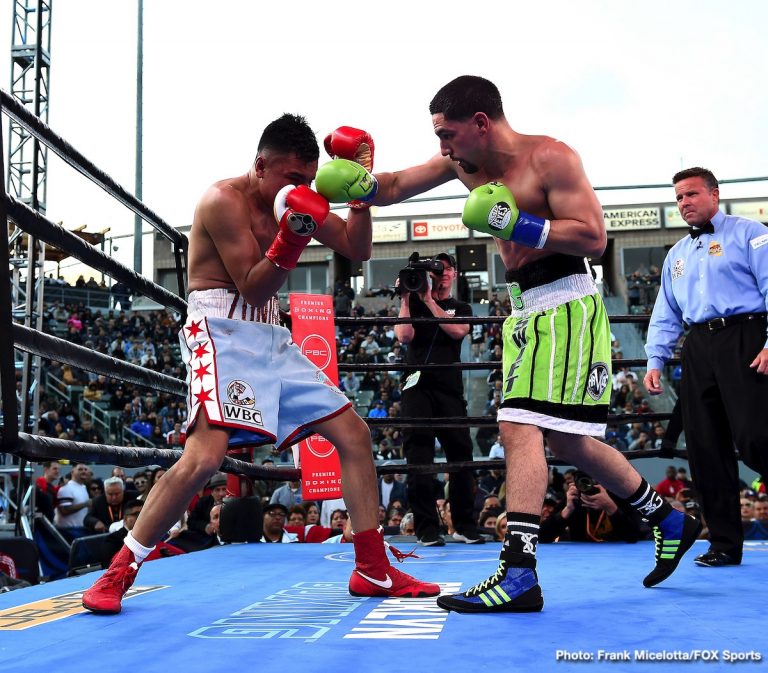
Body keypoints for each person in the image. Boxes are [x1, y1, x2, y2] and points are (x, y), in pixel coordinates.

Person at [82, 115, 438, 615]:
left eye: (309, 182)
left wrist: (358, 195)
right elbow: (251, 284)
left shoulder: (294, 199)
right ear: (259, 165)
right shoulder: (222, 201)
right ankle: (119, 571)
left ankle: (372, 571)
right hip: (221, 332)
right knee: (205, 458)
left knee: (355, 435)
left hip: (270, 332)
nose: (301, 190)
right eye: (291, 180)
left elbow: (358, 250)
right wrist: (293, 236)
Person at [371, 75, 700, 613]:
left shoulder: (550, 157)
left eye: (449, 134)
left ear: (481, 123)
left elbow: (594, 236)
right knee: (568, 441)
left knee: (518, 423)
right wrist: (354, 184)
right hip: (524, 307)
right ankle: (667, 519)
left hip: (567, 300)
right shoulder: (464, 163)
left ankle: (519, 572)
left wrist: (520, 224)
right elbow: (393, 186)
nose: (443, 147)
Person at [644, 167, 768, 569]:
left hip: (746, 338)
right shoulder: (676, 254)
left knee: (756, 437)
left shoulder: (750, 233)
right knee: (705, 447)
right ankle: (725, 544)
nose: (684, 203)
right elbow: (666, 311)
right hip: (697, 345)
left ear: (714, 195)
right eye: (679, 197)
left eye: (692, 194)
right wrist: (655, 359)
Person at [394, 251, 482, 547]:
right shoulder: (414, 304)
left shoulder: (461, 307)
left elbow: (458, 331)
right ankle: (427, 529)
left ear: (454, 273)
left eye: (446, 269)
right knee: (419, 457)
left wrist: (430, 300)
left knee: (461, 454)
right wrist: (407, 297)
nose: (442, 272)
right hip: (416, 388)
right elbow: (404, 337)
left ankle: (465, 525)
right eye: (437, 269)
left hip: (449, 388)